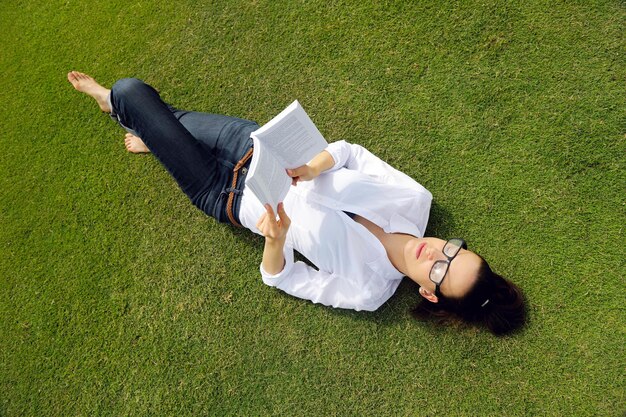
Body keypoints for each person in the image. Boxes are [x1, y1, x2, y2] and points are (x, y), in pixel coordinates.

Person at [67, 71, 526, 336]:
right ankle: (152, 133)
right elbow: (349, 153)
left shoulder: (368, 291)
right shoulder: (415, 199)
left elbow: (280, 277)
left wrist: (277, 238)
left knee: (130, 92)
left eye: (442, 271)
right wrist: (312, 167)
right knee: (172, 122)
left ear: (429, 293)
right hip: (257, 148)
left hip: (227, 194)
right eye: (455, 250)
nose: (438, 253)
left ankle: (116, 106)